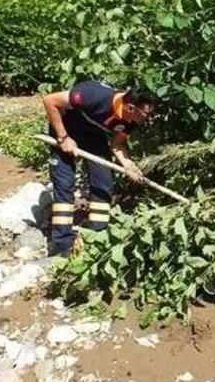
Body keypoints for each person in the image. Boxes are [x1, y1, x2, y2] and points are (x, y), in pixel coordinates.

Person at [42, 80, 157, 256]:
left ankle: (97, 236)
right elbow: (50, 100)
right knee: (64, 183)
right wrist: (63, 137)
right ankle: (61, 245)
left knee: (103, 182)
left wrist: (128, 165)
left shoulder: (131, 120)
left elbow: (117, 144)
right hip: (66, 128)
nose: (147, 120)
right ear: (131, 107)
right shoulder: (92, 96)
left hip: (93, 135)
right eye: (145, 115)